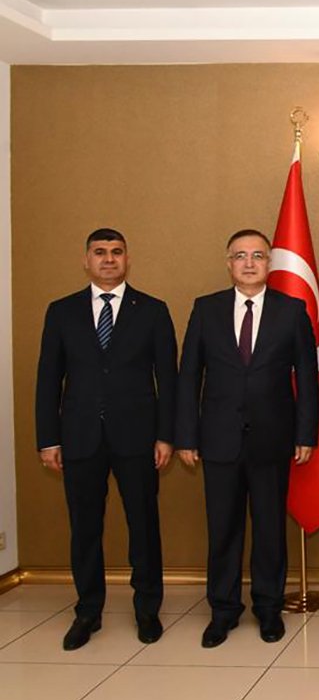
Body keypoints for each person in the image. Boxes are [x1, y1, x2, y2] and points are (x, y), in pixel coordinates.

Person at [34, 228, 177, 650]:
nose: (109, 259)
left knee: (144, 526)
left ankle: (147, 609)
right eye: (100, 252)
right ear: (87, 260)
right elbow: (48, 379)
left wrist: (166, 435)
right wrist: (48, 439)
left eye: (116, 252)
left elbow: (168, 380)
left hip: (138, 438)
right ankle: (87, 611)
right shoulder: (61, 312)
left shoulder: (152, 310)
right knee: (84, 529)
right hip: (79, 437)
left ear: (127, 260)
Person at [176, 229, 319, 648]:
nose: (250, 263)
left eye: (258, 255)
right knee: (223, 529)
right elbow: (189, 376)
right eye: (241, 256)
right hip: (218, 439)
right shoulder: (206, 309)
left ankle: (269, 608)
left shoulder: (292, 310)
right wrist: (186, 435)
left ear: (269, 263)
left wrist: (305, 433)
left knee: (270, 529)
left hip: (273, 438)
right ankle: (223, 610)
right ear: (229, 263)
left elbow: (307, 378)